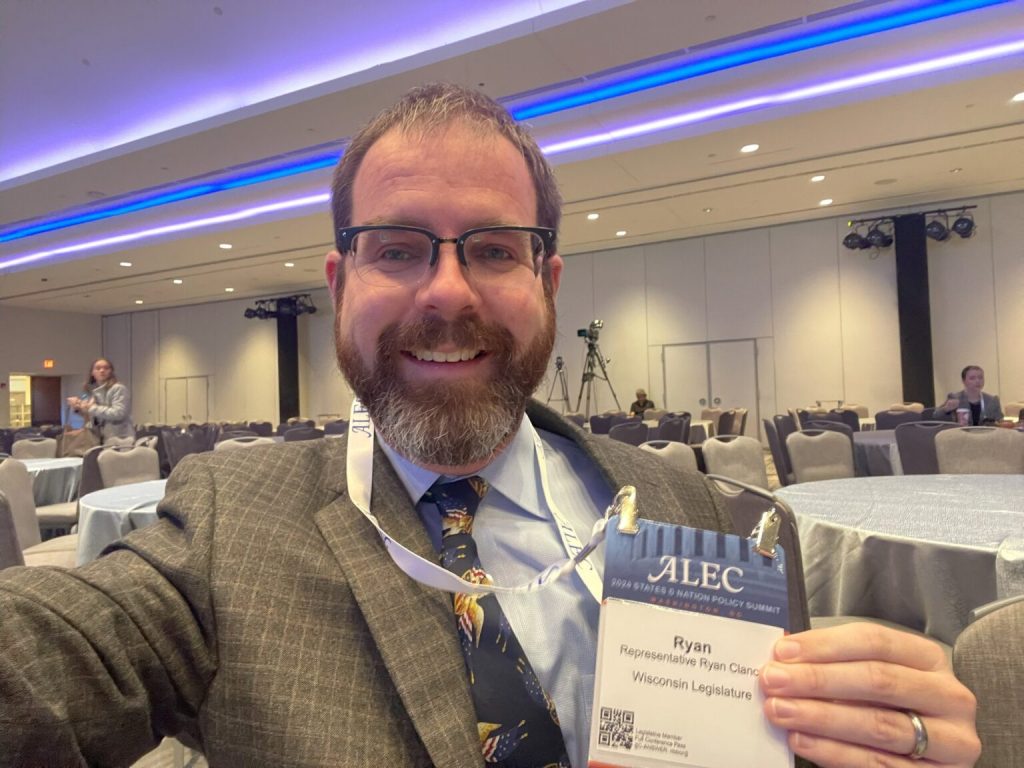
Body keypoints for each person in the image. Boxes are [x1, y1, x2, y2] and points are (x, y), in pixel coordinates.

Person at [0, 84, 979, 767]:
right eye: (397, 249)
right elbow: (47, 667)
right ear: (339, 287)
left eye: (495, 251)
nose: (447, 292)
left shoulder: (699, 514)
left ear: (546, 285)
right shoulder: (226, 525)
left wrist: (880, 740)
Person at [65, 357, 135, 446]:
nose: (102, 371)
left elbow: (119, 413)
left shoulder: (118, 388)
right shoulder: (93, 392)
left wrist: (91, 408)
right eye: (98, 368)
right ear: (92, 373)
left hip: (120, 439)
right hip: (100, 439)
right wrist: (79, 408)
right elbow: (95, 419)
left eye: (106, 368)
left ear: (111, 371)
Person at [937, 364, 1003, 425]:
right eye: (972, 378)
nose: (977, 381)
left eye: (980, 377)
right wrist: (946, 409)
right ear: (963, 381)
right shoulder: (954, 397)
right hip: (961, 436)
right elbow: (935, 416)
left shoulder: (992, 400)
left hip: (986, 436)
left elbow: (1000, 422)